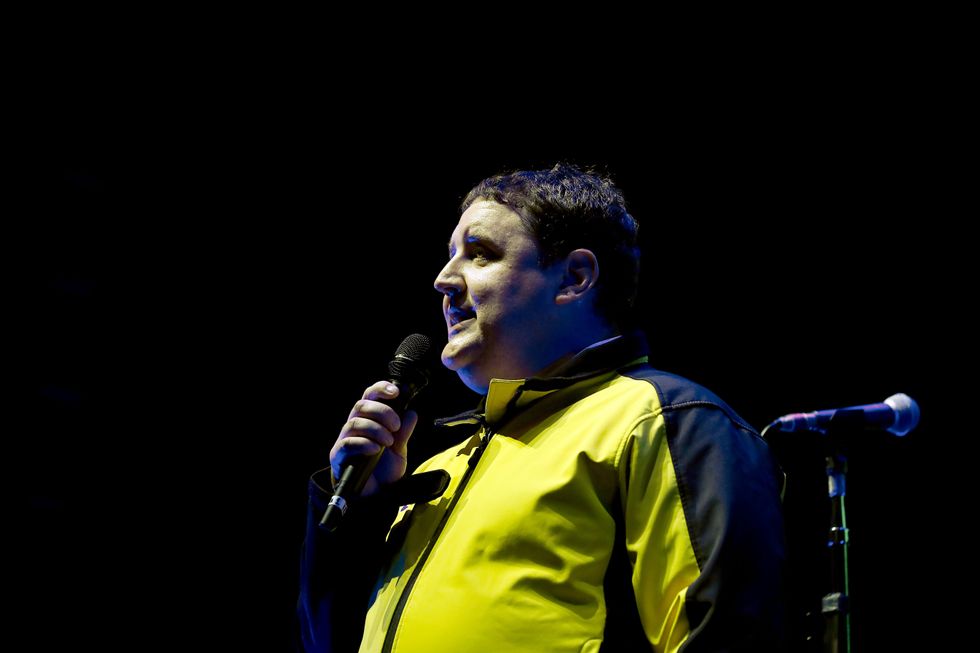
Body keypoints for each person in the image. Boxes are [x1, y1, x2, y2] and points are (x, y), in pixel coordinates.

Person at [298, 164, 786, 652]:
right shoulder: (439, 466)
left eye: (480, 254)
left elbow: (728, 634)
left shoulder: (665, 419)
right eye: (451, 256)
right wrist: (360, 512)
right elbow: (329, 642)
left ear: (574, 277)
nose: (443, 280)